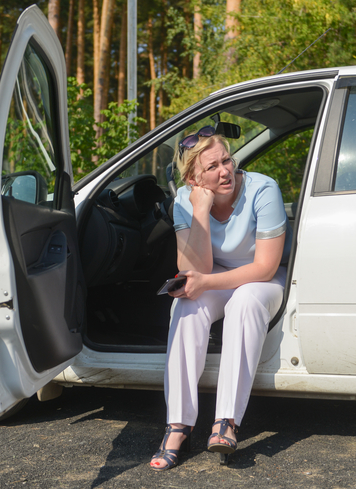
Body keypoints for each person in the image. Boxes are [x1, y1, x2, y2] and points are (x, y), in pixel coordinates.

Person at [150, 126, 292, 471]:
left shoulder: (263, 189)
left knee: (244, 301)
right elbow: (191, 267)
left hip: (262, 279)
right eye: (211, 168)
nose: (225, 171)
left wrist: (207, 281)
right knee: (186, 304)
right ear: (192, 179)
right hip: (216, 276)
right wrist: (200, 211)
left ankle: (226, 420)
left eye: (226, 160)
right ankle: (178, 425)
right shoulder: (185, 201)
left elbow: (265, 266)